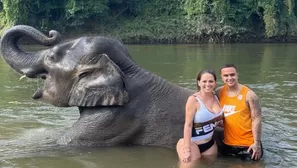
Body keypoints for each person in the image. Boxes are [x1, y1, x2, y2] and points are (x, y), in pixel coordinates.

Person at [216, 64, 263, 161]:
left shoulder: (250, 95)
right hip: (228, 143)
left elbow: (257, 119)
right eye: (226, 75)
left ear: (237, 75)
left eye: (232, 75)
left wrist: (257, 144)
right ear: (221, 77)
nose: (229, 78)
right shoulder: (219, 92)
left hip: (247, 145)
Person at [176, 69, 223, 165]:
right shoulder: (194, 100)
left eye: (211, 81)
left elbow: (218, 121)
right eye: (204, 81)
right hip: (192, 143)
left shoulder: (217, 97)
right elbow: (188, 125)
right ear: (199, 82)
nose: (208, 84)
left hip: (210, 144)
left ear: (215, 82)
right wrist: (187, 149)